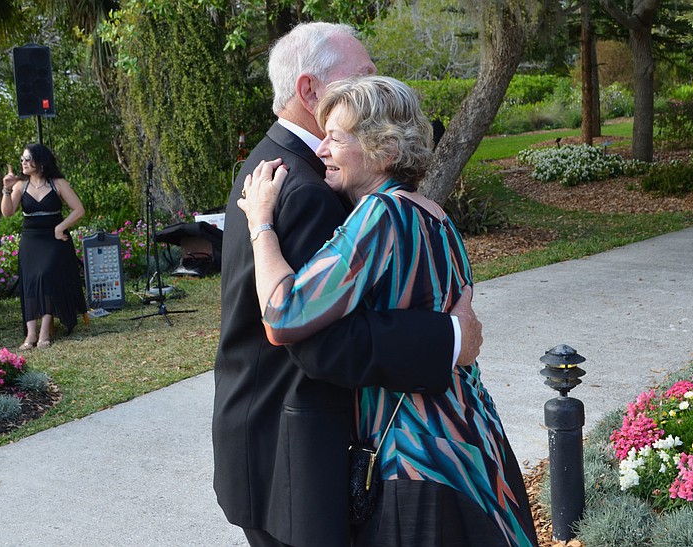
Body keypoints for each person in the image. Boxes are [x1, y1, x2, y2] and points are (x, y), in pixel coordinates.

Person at [213, 22, 484, 547]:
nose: (373, 80)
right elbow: (319, 342)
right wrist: (450, 339)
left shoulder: (279, 166)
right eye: (361, 73)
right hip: (296, 456)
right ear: (311, 90)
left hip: (272, 442)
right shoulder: (307, 188)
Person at [239, 76, 538, 546]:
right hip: (473, 447)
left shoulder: (380, 215)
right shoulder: (435, 215)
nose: (320, 151)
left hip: (417, 458)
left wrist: (260, 224)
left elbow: (283, 315)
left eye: (335, 138)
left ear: (385, 151)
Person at [1, 143, 86, 350]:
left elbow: (78, 209)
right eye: (22, 159)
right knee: (30, 280)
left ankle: (45, 331)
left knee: (47, 276)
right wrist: (6, 189)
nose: (23, 163)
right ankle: (30, 334)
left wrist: (61, 227)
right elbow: (8, 212)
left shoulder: (57, 183)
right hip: (31, 239)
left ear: (40, 161)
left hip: (54, 239)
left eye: (27, 159)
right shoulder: (21, 186)